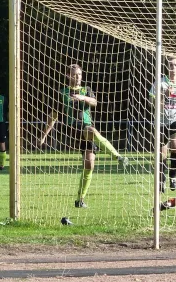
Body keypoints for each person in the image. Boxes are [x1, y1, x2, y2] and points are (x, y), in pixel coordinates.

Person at [39, 64, 128, 208]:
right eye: (74, 74)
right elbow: (53, 116)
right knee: (91, 131)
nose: (78, 77)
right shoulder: (62, 92)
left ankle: (80, 200)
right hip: (73, 129)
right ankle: (117, 156)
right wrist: (43, 136)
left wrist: (82, 97)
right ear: (68, 75)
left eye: (79, 74)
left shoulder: (86, 90)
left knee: (89, 164)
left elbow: (94, 102)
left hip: (87, 128)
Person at [149, 57, 176, 192]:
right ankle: (161, 180)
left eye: (175, 65)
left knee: (175, 144)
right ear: (167, 67)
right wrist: (164, 95)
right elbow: (152, 102)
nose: (173, 67)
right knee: (162, 152)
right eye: (170, 65)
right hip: (162, 120)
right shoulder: (160, 83)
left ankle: (173, 176)